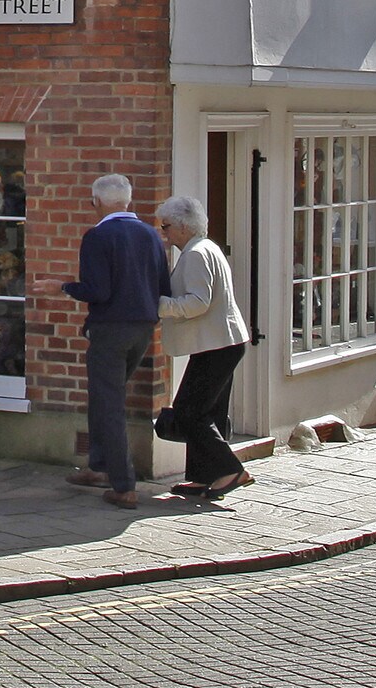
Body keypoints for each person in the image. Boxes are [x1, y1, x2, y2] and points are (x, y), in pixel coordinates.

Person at [61, 172, 171, 507]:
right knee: (104, 398)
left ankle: (123, 484)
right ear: (127, 200)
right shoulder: (151, 235)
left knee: (108, 404)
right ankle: (99, 466)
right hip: (143, 329)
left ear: (97, 202)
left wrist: (64, 287)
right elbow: (163, 286)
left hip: (110, 329)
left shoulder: (98, 236)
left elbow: (98, 290)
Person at [155, 194, 253, 500]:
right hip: (221, 341)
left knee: (189, 411)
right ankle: (202, 477)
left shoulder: (196, 253)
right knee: (208, 410)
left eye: (167, 226)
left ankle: (229, 470)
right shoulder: (205, 248)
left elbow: (199, 302)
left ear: (184, 226)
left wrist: (160, 305)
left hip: (218, 343)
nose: (164, 232)